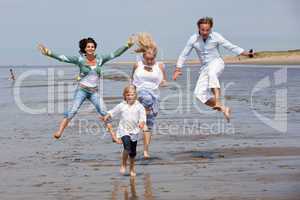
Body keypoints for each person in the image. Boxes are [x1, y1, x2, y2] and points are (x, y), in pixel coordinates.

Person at [38, 36, 134, 139]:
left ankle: (114, 137)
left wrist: (127, 45)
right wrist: (48, 52)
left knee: (104, 112)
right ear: (84, 48)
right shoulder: (80, 60)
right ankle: (59, 131)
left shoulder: (100, 59)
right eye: (88, 47)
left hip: (94, 92)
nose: (91, 48)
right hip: (82, 90)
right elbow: (63, 58)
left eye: (92, 47)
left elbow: (115, 54)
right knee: (73, 110)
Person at [173, 17, 254, 122]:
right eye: (203, 30)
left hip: (217, 62)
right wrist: (178, 68)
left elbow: (230, 46)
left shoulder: (216, 37)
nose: (205, 32)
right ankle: (224, 108)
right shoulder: (193, 39)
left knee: (212, 73)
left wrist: (245, 53)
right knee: (199, 94)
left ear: (211, 28)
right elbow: (184, 54)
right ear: (198, 28)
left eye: (207, 30)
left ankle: (217, 100)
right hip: (204, 67)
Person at [131, 33, 167, 159]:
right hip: (141, 95)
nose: (150, 61)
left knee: (148, 126)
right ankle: (144, 109)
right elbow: (133, 83)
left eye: (152, 59)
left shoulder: (160, 65)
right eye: (147, 59)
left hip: (155, 97)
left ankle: (145, 150)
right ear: (143, 56)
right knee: (146, 97)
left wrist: (163, 82)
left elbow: (163, 80)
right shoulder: (138, 65)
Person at [103, 85, 147, 176]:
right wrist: (108, 115)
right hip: (123, 130)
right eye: (128, 95)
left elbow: (143, 117)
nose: (130, 97)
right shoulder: (122, 105)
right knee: (127, 147)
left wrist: (142, 123)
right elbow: (113, 111)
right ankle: (123, 164)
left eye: (132, 95)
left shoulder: (139, 106)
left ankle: (131, 167)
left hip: (134, 131)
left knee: (133, 153)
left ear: (135, 95)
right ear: (125, 96)